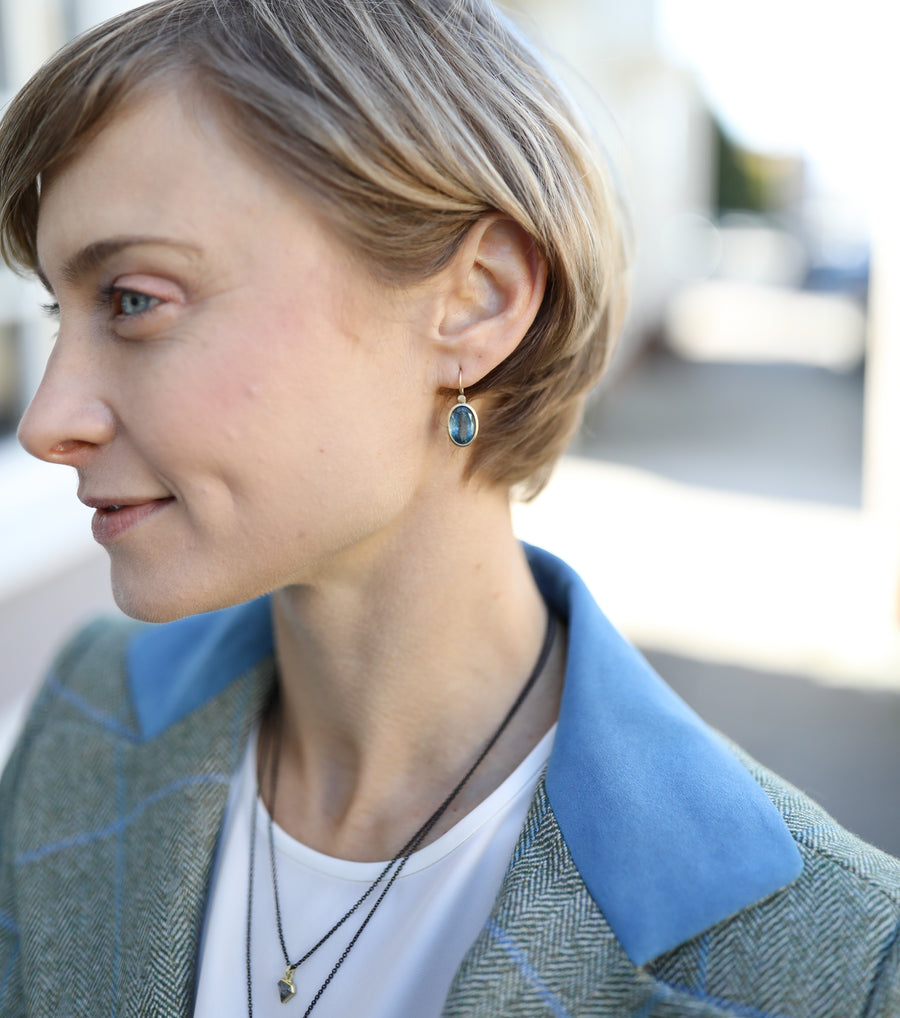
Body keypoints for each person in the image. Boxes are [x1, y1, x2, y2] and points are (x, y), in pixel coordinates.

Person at [0, 0, 897, 1015]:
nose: (46, 419)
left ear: (473, 301)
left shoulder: (830, 959)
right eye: (57, 315)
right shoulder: (87, 714)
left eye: (132, 299)